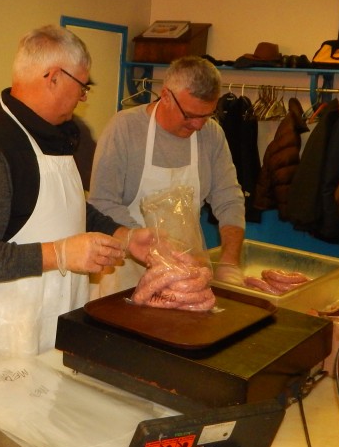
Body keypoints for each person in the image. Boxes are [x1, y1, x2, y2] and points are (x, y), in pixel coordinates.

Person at [0, 25, 151, 377]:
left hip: (53, 317)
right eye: (82, 86)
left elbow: (67, 208)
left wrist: (124, 236)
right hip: (0, 331)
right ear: (53, 77)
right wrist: (61, 254)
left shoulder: (58, 132)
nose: (83, 97)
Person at [88, 55, 246, 296]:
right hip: (125, 270)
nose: (198, 125)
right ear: (165, 96)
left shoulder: (212, 135)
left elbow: (229, 198)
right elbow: (103, 203)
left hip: (187, 272)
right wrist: (153, 249)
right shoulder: (125, 129)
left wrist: (229, 261)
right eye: (190, 115)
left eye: (207, 115)